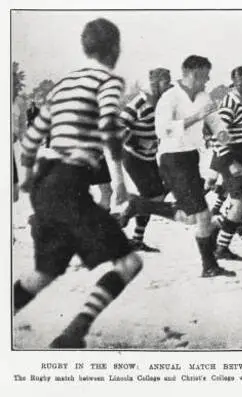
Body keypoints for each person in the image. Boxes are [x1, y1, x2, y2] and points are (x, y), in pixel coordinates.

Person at [13, 18, 143, 348]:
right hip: (70, 184)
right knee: (129, 262)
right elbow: (109, 127)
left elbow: (30, 141)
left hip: (45, 184)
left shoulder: (64, 84)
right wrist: (118, 180)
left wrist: (26, 178)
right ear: (115, 49)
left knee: (45, 273)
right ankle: (74, 333)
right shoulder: (108, 79)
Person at [117, 55, 236, 277]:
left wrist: (222, 133)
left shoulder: (203, 95)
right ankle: (209, 266)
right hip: (171, 159)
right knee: (202, 216)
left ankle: (140, 205)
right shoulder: (169, 98)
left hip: (191, 158)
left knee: (192, 217)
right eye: (205, 75)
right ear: (192, 74)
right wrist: (195, 117)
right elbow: (164, 131)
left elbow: (213, 120)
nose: (208, 79)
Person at [208, 66, 242, 261]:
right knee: (239, 203)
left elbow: (236, 129)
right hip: (231, 157)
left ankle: (217, 225)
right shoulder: (230, 102)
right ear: (240, 82)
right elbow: (217, 133)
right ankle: (221, 248)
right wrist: (230, 162)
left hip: (241, 155)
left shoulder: (241, 101)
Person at [119, 67, 173, 252]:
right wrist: (138, 141)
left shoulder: (162, 102)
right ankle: (125, 216)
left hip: (148, 157)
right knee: (152, 197)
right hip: (133, 157)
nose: (168, 86)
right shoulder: (140, 102)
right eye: (165, 82)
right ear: (156, 84)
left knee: (156, 195)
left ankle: (136, 238)